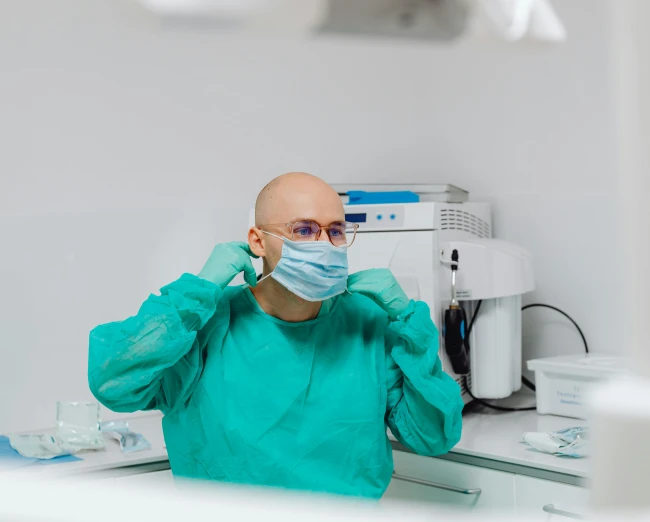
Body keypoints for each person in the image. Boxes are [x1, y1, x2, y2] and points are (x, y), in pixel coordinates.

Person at [88, 172, 463, 499]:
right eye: (303, 230)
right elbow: (114, 383)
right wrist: (195, 292)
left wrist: (408, 321)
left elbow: (432, 435)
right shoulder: (204, 324)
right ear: (257, 241)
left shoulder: (367, 323)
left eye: (335, 231)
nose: (324, 245)